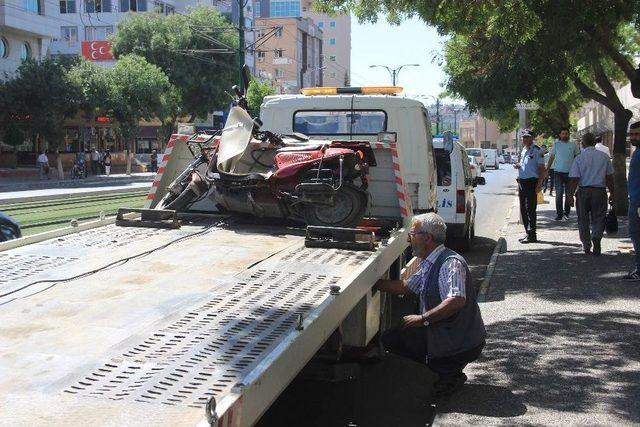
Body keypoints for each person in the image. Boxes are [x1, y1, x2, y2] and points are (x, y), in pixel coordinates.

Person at [375, 213, 486, 402]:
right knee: (392, 338)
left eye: (412, 234)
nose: (409, 239)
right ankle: (445, 363)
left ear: (427, 237)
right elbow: (407, 287)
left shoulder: (450, 263)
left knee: (402, 338)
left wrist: (423, 319)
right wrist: (373, 283)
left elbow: (456, 300)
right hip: (449, 333)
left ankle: (450, 373)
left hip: (462, 340)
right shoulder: (429, 261)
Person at [567, 133, 614, 256]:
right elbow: (609, 177)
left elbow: (574, 179)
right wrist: (613, 193)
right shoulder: (604, 157)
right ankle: (597, 236)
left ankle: (586, 244)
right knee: (599, 217)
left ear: (582, 144)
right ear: (595, 142)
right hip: (599, 191)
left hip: (583, 191)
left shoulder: (579, 158)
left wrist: (570, 195)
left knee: (583, 219)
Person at [514, 129, 545, 243]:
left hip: (532, 182)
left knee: (530, 209)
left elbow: (542, 169)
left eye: (527, 137)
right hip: (522, 182)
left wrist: (539, 184)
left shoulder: (537, 150)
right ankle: (528, 233)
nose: (525, 139)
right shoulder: (523, 150)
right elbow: (525, 164)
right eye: (523, 137)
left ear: (532, 138)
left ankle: (532, 234)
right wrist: (518, 165)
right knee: (523, 209)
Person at [546, 127, 580, 220]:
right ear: (560, 135)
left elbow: (578, 158)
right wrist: (547, 169)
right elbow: (552, 157)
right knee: (559, 193)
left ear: (568, 134)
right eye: (563, 133)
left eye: (566, 133)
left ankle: (567, 213)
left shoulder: (574, 145)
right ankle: (559, 213)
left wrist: (579, 170)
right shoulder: (556, 145)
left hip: (570, 173)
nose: (565, 135)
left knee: (569, 194)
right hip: (558, 172)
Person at [624, 122, 640, 281]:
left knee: (636, 234)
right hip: (635, 199)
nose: (634, 137)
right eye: (632, 134)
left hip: (638, 202)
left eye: (637, 134)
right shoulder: (637, 152)